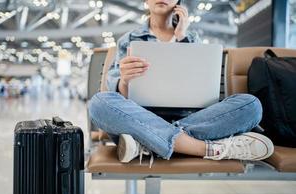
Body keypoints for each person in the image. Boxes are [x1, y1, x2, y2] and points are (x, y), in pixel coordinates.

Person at [88, 0, 274, 167]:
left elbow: (202, 92)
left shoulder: (191, 39)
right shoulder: (128, 40)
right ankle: (202, 148)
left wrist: (182, 37)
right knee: (98, 103)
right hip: (137, 119)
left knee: (251, 105)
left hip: (188, 121)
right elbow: (120, 96)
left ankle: (146, 144)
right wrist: (125, 80)